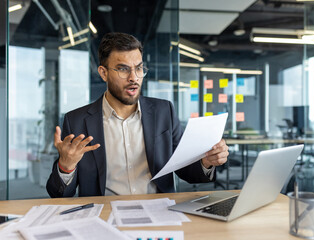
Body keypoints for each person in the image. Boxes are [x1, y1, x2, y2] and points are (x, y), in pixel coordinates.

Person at [46, 32, 229, 198]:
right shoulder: (77, 121)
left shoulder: (164, 111)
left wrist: (206, 162)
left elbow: (185, 169)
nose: (134, 77)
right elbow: (58, 194)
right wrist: (66, 166)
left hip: (159, 212)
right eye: (123, 69)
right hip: (104, 214)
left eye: (139, 68)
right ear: (103, 73)